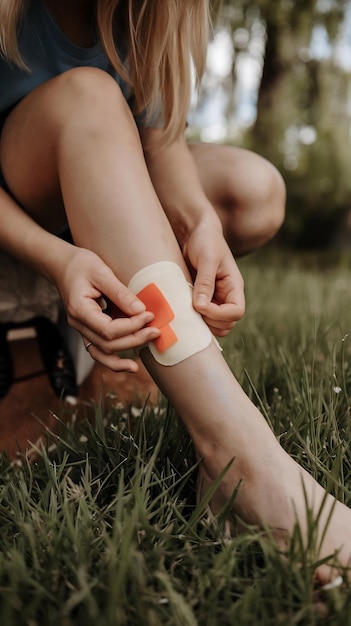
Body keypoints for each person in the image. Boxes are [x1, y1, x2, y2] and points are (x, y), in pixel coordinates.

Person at [0, 0, 349, 587]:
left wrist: (199, 223)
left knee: (252, 190)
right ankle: (240, 460)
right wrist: (57, 258)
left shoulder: (149, 13)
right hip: (16, 224)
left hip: (89, 197)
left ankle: (120, 352)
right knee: (89, 96)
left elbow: (161, 145)